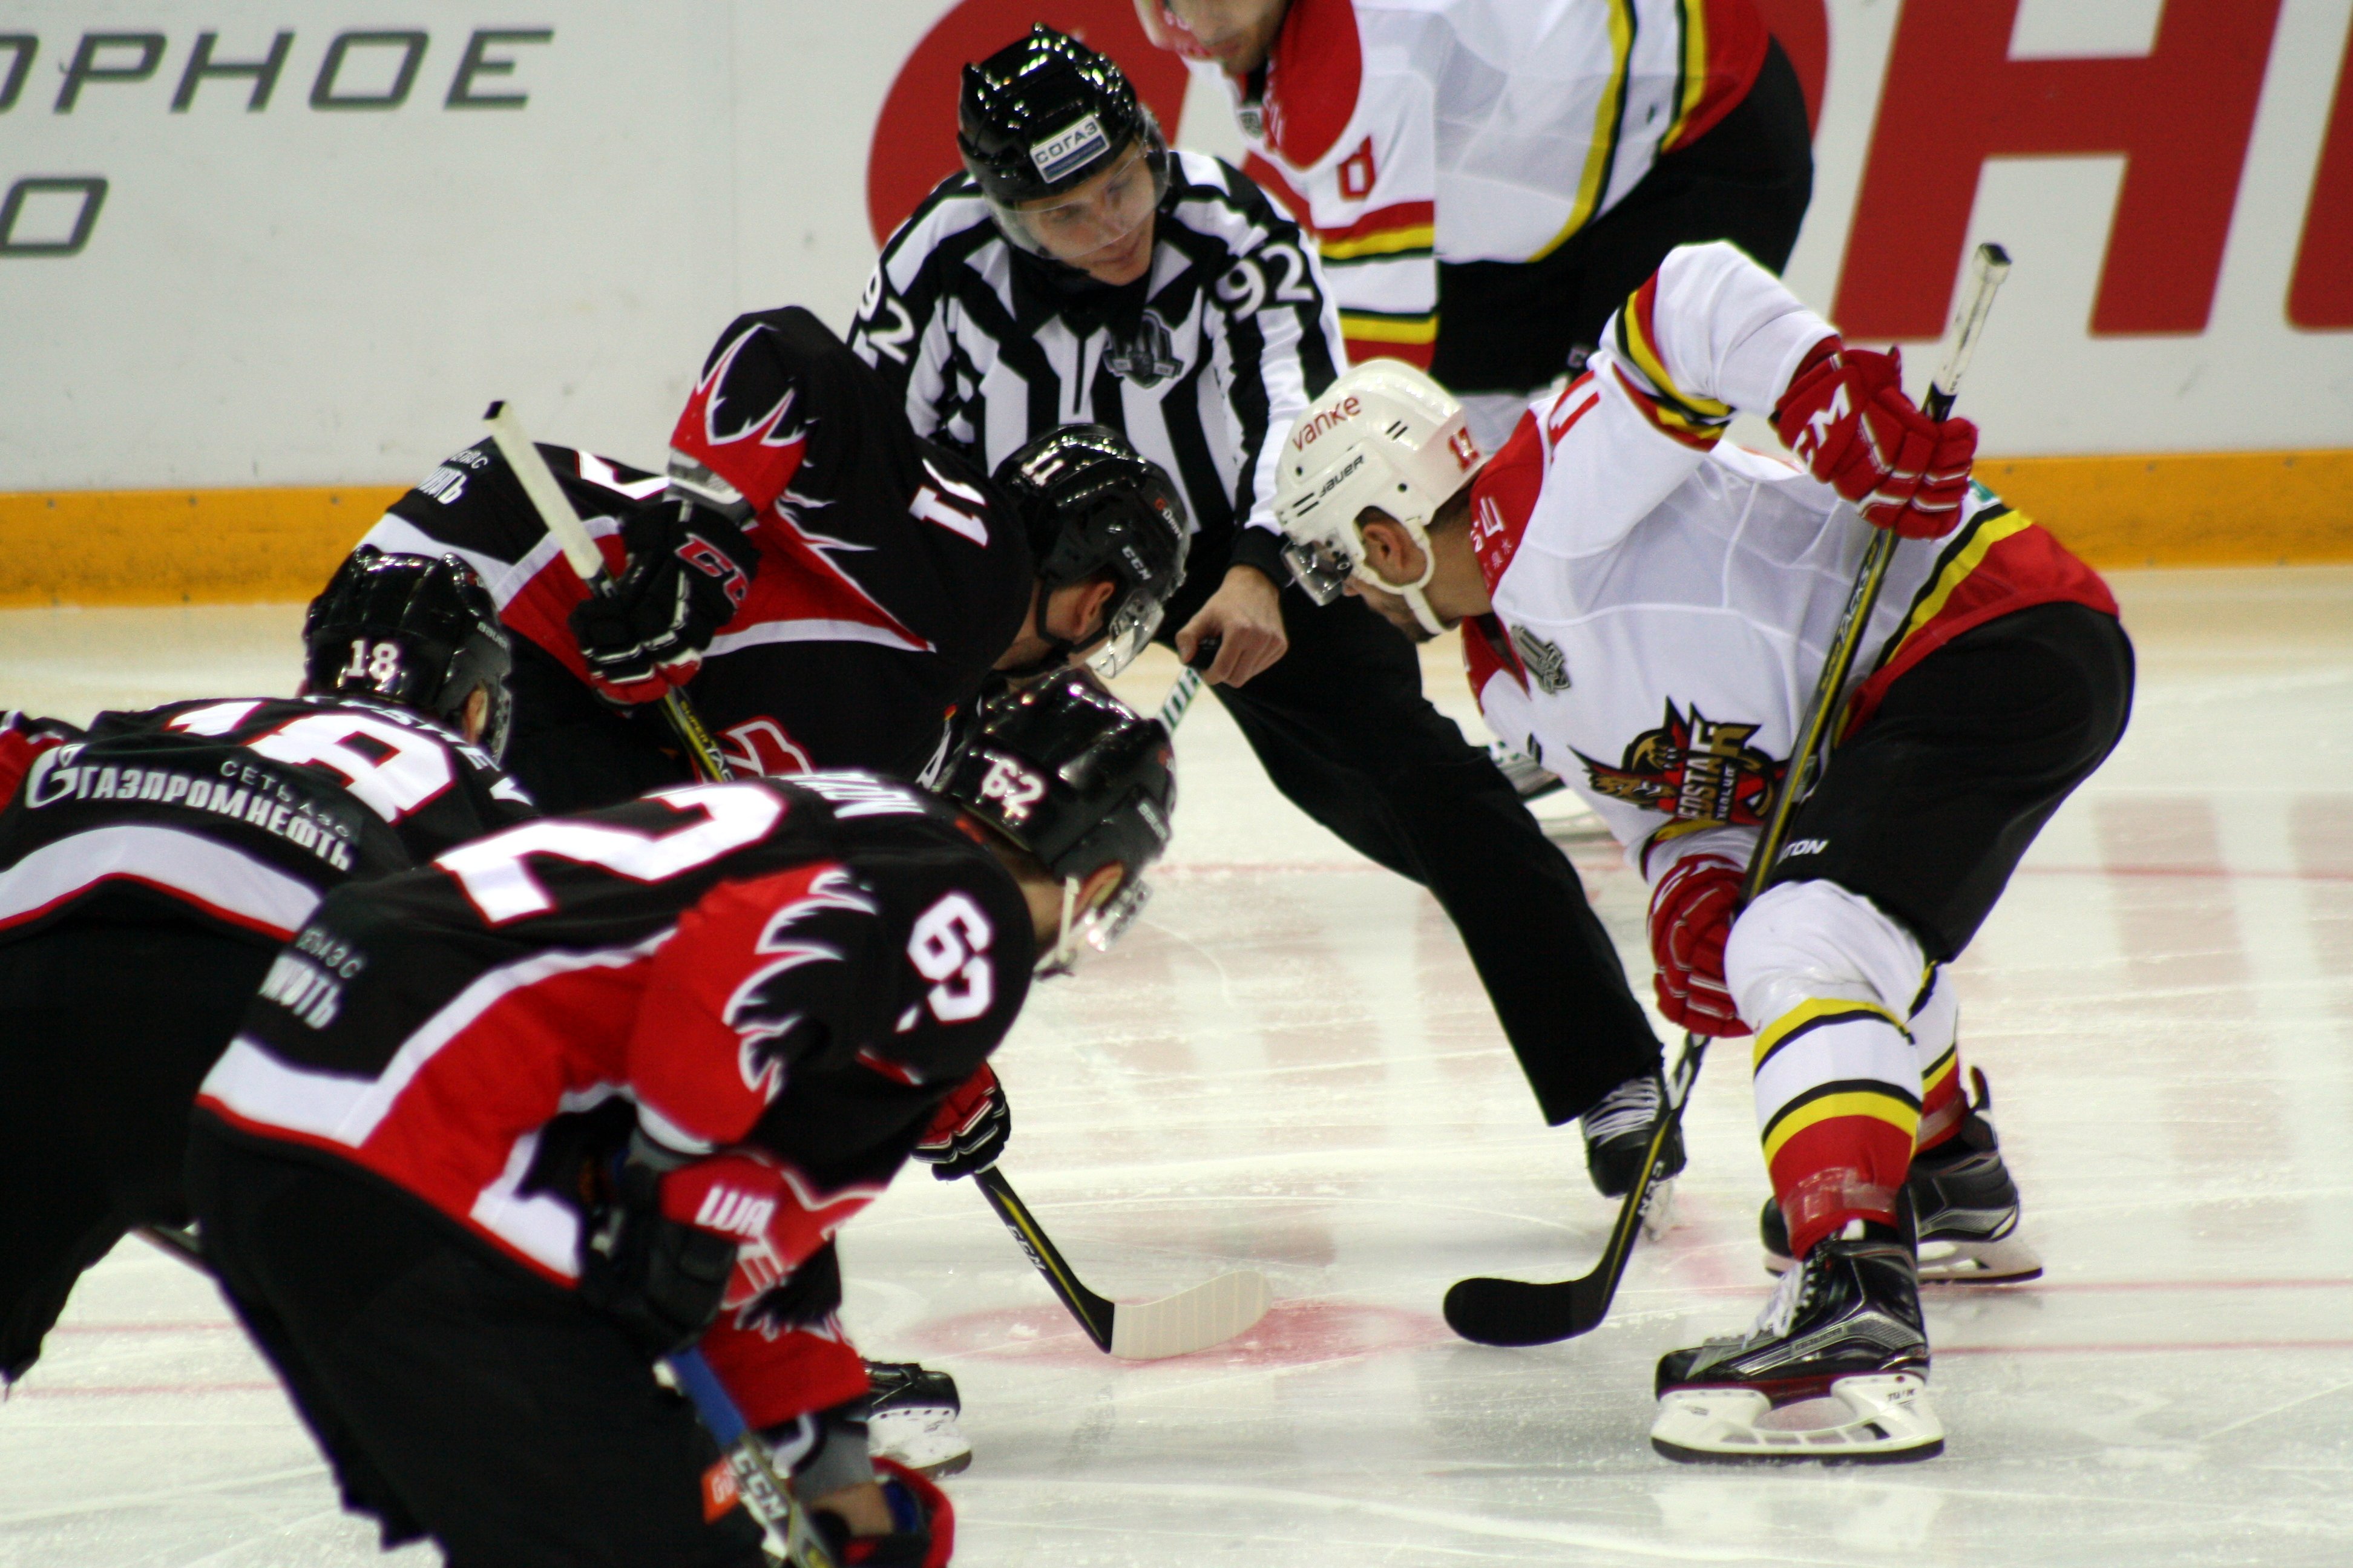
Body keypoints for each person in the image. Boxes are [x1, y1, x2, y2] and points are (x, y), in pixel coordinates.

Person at [1269, 241, 2132, 1460]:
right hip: (1921, 692)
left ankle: (1854, 1302)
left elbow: (1693, 296)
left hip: (1994, 628)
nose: (1347, 598)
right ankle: (1941, 1167)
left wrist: (1827, 389)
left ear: (1388, 536)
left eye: (1334, 565)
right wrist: (1690, 881)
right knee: (1808, 922)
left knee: (1805, 932)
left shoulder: (1555, 492)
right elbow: (1677, 803)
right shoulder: (1512, 677)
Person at [850, 23, 1675, 1207]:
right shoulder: (938, 259)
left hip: (1230, 542)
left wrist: (1261, 565)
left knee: (1421, 782)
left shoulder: (1235, 226)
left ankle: (1614, 1079)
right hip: (1015, 576)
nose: (1112, 226)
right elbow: (877, 455)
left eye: (1124, 182)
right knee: (879, 793)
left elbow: (1302, 408)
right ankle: (828, 1097)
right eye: (1068, 215)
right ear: (1005, 211)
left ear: (1148, 143)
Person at [185, 675, 1175, 1566]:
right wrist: (676, 1183)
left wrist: (839, 1482)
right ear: (1096, 880)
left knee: (636, 1524)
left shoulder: (858, 825)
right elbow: (732, 968)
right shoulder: (975, 918)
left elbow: (753, 1237)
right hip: (411, 1135)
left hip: (292, 1104)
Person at [0, 549, 532, 1384]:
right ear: (475, 703)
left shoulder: (183, 719)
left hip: (27, 980)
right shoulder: (478, 785)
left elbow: (21, 762)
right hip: (242, 1019)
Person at [356, 310, 1185, 813]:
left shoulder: (937, 716)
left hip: (513, 645)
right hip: (498, 571)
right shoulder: (978, 572)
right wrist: (697, 543)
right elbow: (785, 352)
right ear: (1095, 602)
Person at [1140, 0, 1815, 450]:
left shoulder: (1356, 59)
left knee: (1595, 468)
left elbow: (1380, 370)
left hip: (1705, 145)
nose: (1197, 22)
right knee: (1472, 456)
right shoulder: (1265, 26)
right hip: (1576, 173)